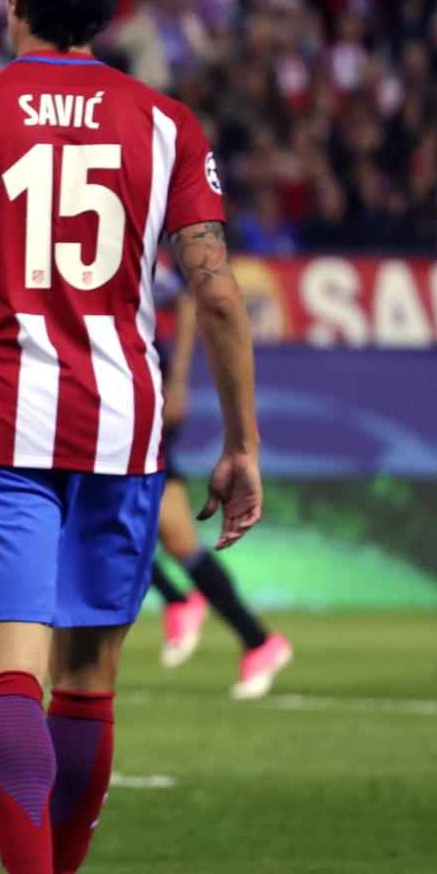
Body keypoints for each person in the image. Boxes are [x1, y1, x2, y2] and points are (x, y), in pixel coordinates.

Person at [0, 0, 262, 874]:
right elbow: (215, 291)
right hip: (122, 429)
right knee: (86, 682)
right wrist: (242, 442)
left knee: (10, 674)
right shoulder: (167, 125)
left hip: (4, 415)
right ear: (112, 10)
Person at [147, 273, 291, 697]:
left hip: (136, 380)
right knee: (165, 536)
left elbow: (187, 299)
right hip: (104, 382)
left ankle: (196, 610)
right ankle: (251, 638)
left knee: (98, 524)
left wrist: (177, 381)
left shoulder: (131, 245)